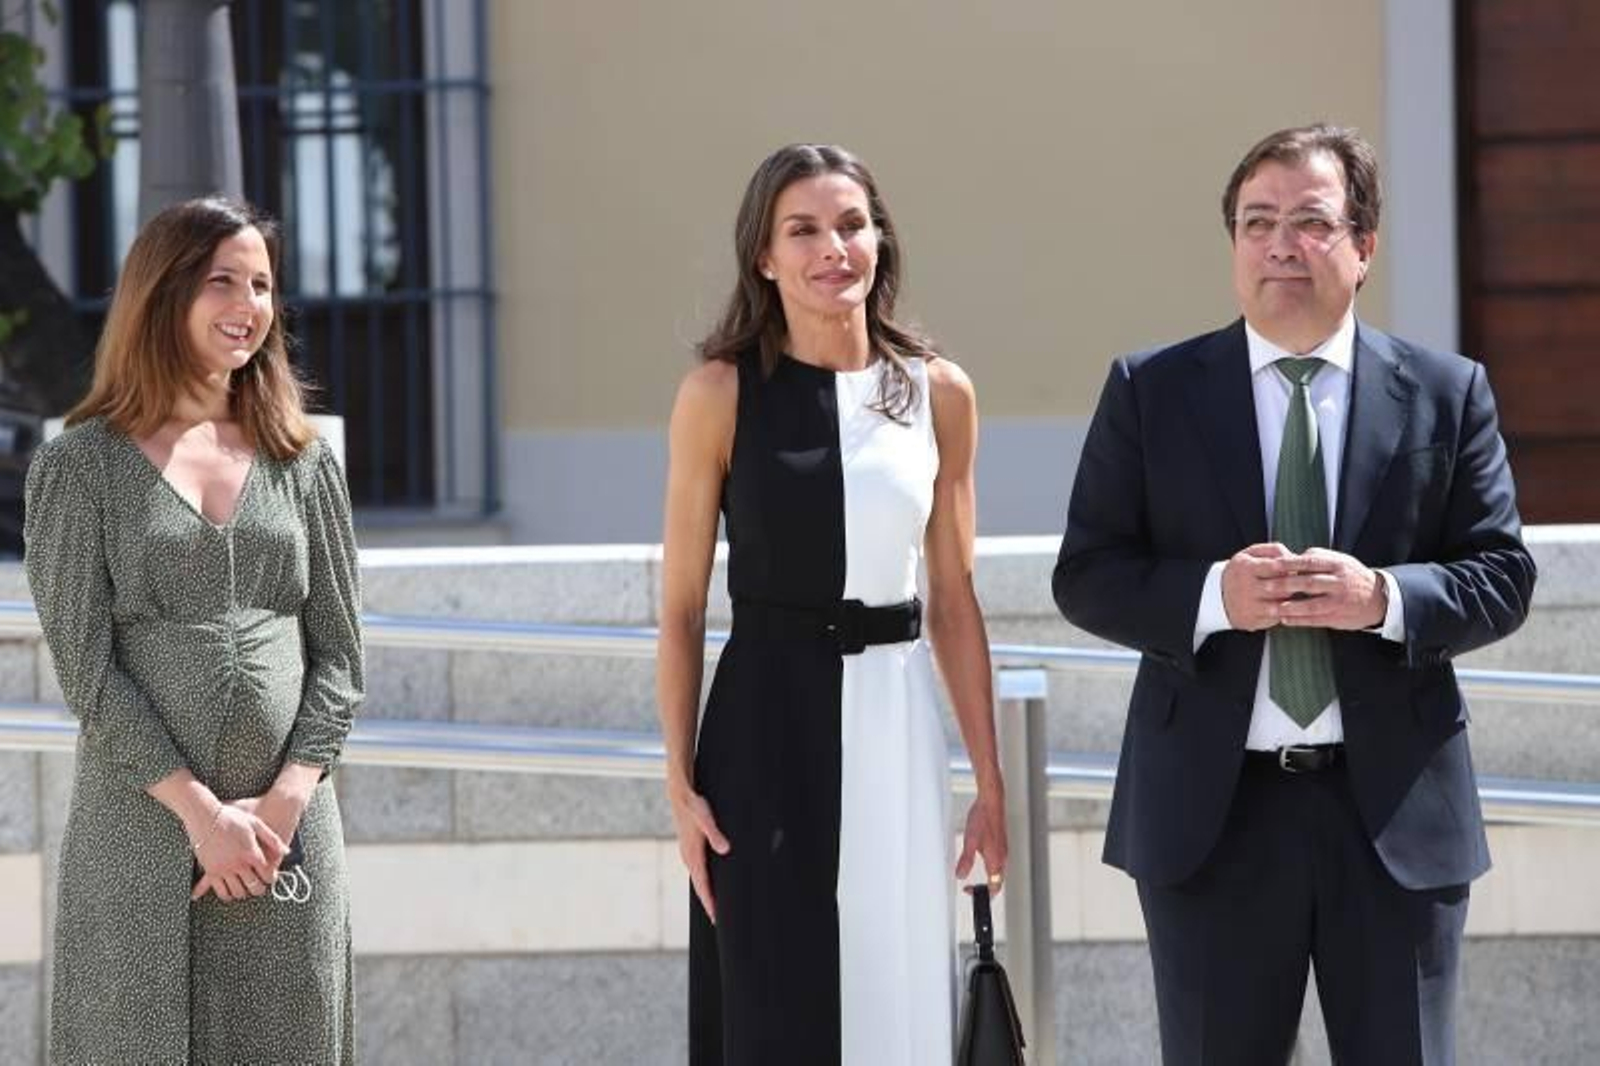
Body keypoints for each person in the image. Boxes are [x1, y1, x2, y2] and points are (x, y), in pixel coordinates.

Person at [1053, 123, 1536, 1065]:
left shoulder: (1446, 391)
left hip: (1392, 812)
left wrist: (1384, 599)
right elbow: (1087, 572)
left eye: (1311, 222)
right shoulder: (1151, 390)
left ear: (1364, 247)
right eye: (1256, 222)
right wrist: (1213, 598)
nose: (1281, 244)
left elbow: (1503, 574)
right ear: (1233, 244)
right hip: (1213, 817)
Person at [657, 143, 1008, 1066]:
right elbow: (683, 607)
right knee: (772, 1001)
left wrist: (991, 782)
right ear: (765, 257)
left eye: (852, 225)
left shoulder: (938, 393)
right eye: (803, 230)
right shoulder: (719, 394)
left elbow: (955, 602)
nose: (832, 249)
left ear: (880, 241)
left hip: (897, 719)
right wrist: (681, 784)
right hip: (762, 729)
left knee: (898, 988)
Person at [24, 196, 364, 1064]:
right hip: (141, 834)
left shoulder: (303, 462)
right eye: (224, 281)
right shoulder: (78, 468)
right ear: (163, 291)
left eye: (263, 285)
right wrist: (202, 816)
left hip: (285, 841)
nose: (249, 305)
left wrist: (284, 804)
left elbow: (340, 658)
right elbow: (89, 673)